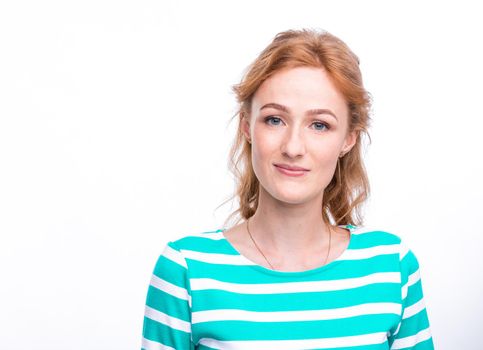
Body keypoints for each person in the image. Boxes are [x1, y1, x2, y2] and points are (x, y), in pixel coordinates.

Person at [141, 28, 434, 349]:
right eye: (274, 120)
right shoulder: (186, 270)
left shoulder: (391, 266)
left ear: (348, 139)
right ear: (246, 126)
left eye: (319, 125)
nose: (293, 147)